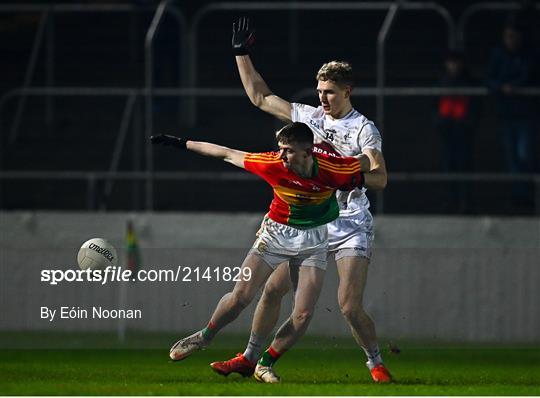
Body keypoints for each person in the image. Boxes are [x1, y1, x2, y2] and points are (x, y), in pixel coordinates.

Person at [209, 18, 390, 383]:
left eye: (330, 92)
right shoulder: (308, 118)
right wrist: (240, 53)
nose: (322, 98)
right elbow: (260, 97)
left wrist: (348, 177)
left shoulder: (362, 129)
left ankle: (375, 362)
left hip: (350, 222)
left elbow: (380, 177)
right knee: (274, 289)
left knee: (349, 307)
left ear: (347, 91)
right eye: (320, 90)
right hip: (311, 221)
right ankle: (251, 358)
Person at [155, 122, 370, 383]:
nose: (281, 155)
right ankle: (204, 337)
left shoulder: (334, 169)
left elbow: (370, 163)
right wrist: (181, 143)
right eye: (280, 149)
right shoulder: (271, 163)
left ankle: (264, 363)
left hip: (314, 239)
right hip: (276, 234)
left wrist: (367, 168)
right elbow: (225, 153)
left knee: (303, 314)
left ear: (307, 152)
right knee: (241, 296)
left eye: (288, 151)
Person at [487, 18, 538, 179]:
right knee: (512, 158)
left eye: (513, 36)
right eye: (507, 36)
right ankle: (519, 197)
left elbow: (529, 75)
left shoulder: (530, 55)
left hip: (526, 113)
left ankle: (530, 192)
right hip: (506, 113)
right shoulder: (498, 54)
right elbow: (488, 78)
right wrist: (501, 87)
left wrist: (515, 85)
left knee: (525, 154)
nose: (510, 40)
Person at [434, 50, 478, 213]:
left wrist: (469, 123)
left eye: (456, 62)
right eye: (451, 62)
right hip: (447, 130)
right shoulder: (441, 82)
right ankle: (451, 200)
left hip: (463, 130)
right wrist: (439, 122)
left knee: (464, 165)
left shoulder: (469, 82)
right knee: (448, 166)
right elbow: (434, 104)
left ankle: (466, 201)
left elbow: (475, 106)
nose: (453, 66)